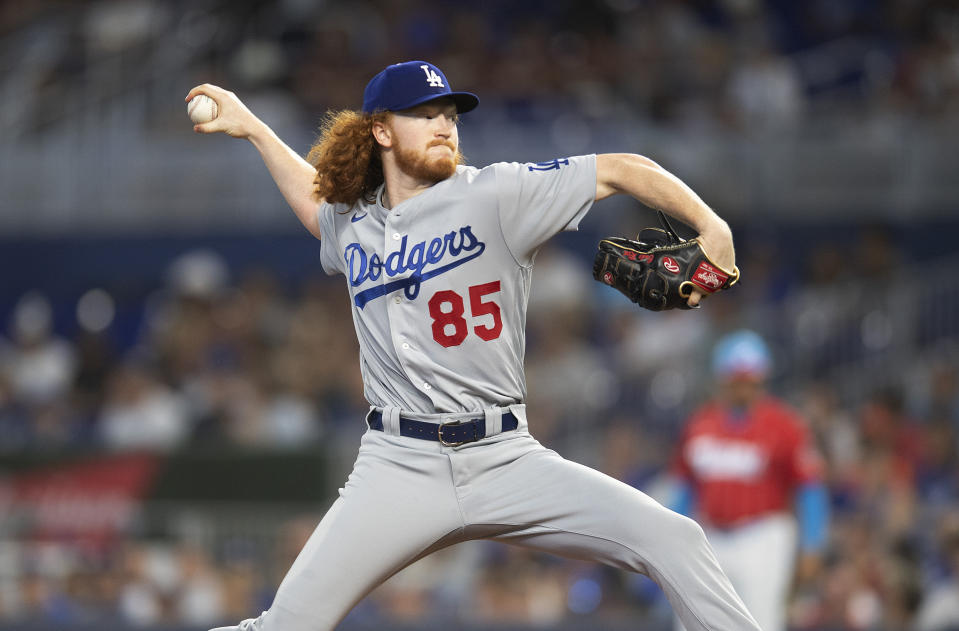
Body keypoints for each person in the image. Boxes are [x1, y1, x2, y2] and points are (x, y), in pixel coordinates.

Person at [187, 60, 759, 631]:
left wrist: (715, 230)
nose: (443, 125)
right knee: (286, 624)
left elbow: (620, 169)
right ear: (381, 131)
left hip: (505, 456)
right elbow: (316, 208)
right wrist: (256, 130)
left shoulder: (497, 193)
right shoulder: (353, 224)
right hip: (398, 465)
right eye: (423, 114)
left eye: (449, 114)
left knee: (674, 538)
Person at [671, 330, 830, 631]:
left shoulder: (785, 425)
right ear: (722, 379)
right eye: (738, 379)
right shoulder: (699, 424)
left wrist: (813, 544)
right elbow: (683, 487)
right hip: (710, 535)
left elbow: (810, 488)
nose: (745, 386)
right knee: (691, 619)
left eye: (751, 379)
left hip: (763, 535)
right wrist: (668, 533)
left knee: (760, 622)